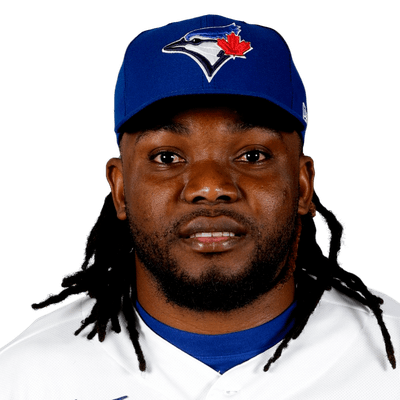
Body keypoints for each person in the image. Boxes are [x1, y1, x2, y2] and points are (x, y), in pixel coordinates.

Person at [1, 13, 399, 399]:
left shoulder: (391, 358)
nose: (210, 188)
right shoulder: (25, 379)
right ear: (120, 189)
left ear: (302, 185)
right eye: (167, 157)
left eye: (253, 155)